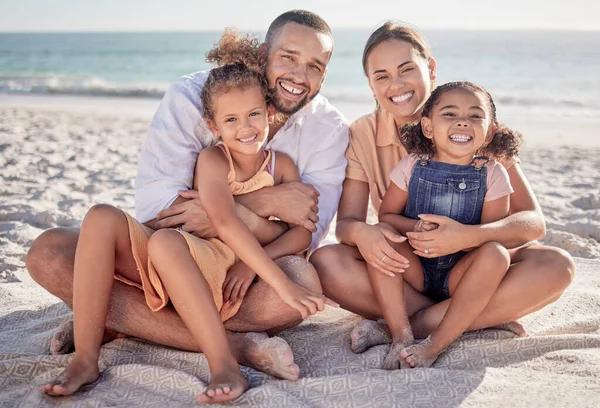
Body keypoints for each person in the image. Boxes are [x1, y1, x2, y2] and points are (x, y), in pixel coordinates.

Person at [26, 9, 348, 383]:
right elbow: (160, 213)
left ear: (325, 73)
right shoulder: (196, 97)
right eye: (288, 57)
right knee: (49, 254)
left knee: (301, 280)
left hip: (244, 274)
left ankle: (119, 318)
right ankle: (232, 346)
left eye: (315, 66)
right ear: (264, 53)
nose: (298, 76)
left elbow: (307, 235)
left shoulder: (327, 131)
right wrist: (263, 206)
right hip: (174, 252)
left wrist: (228, 221)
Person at [310, 21, 575, 355]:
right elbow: (347, 224)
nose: (396, 84)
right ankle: (475, 317)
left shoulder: (472, 121)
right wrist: (366, 234)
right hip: (405, 273)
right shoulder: (362, 134)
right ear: (371, 85)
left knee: (558, 266)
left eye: (407, 69)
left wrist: (469, 237)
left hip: (475, 269)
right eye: (382, 76)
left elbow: (534, 225)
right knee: (326, 262)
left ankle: (417, 325)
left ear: (430, 69)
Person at [371, 81, 521, 369]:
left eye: (475, 116)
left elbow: (490, 236)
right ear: (428, 127)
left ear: (489, 133)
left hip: (461, 275)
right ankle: (401, 335)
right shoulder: (412, 166)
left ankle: (435, 343)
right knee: (380, 236)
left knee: (496, 253)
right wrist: (414, 227)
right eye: (450, 114)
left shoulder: (493, 174)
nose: (463, 122)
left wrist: (461, 238)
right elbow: (387, 216)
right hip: (415, 269)